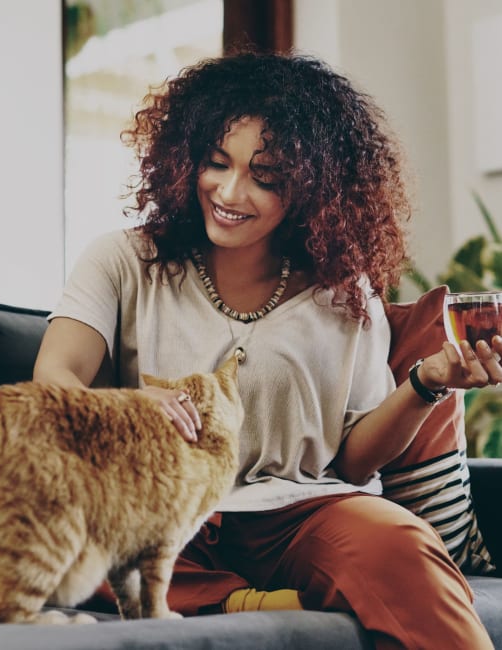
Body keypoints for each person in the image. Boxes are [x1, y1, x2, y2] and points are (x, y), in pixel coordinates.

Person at [33, 49, 501, 648]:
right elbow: (56, 376)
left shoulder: (345, 292)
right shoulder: (125, 260)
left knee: (402, 543)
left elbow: (355, 463)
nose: (229, 191)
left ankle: (225, 596)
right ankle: (239, 600)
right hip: (160, 504)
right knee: (77, 535)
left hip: (302, 513)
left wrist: (426, 382)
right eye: (216, 162)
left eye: (265, 177)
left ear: (311, 188)